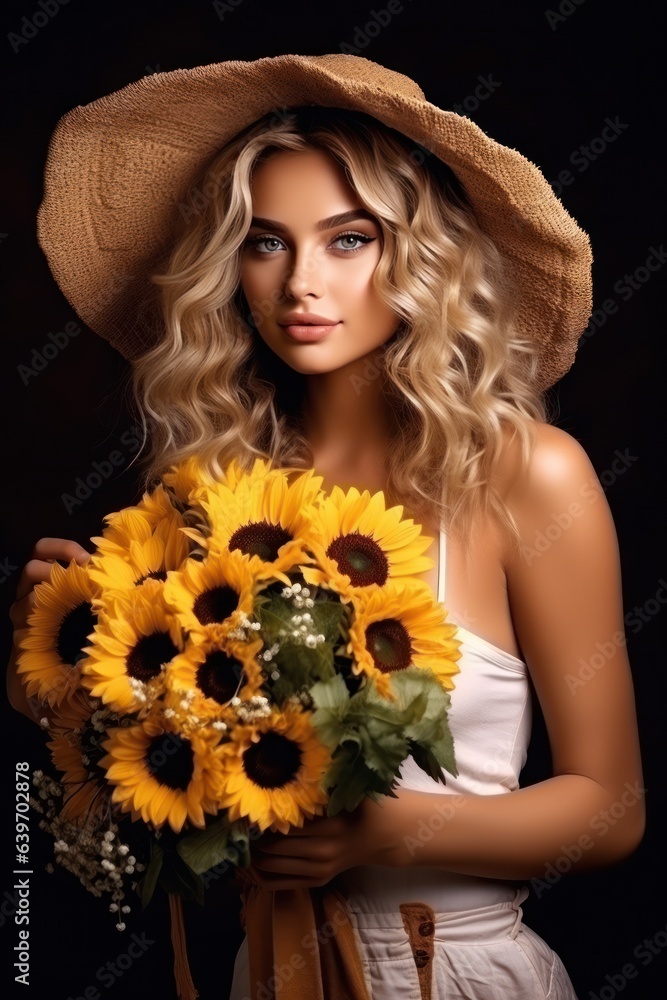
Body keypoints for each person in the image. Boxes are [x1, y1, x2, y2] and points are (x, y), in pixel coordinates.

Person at [7, 54, 644, 1000]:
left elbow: (612, 809)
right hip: (264, 972)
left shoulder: (525, 474)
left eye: (348, 240)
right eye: (265, 243)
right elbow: (147, 779)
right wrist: (51, 669)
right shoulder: (215, 489)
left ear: (421, 255)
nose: (301, 281)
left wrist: (388, 834)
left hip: (452, 970)